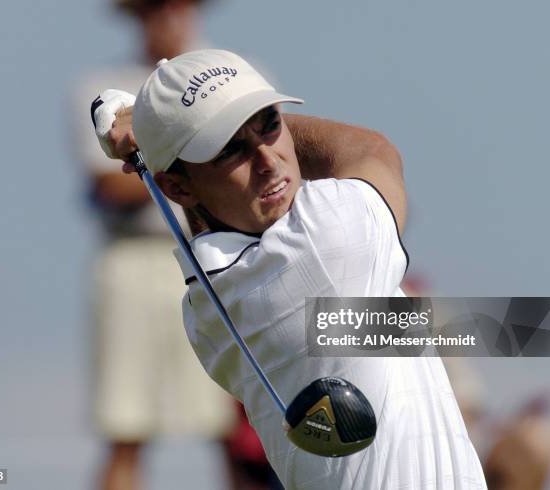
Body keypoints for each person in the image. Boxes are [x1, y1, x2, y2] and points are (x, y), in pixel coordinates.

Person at [93, 49, 488, 489]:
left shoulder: (204, 312)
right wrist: (153, 135)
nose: (268, 160)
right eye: (231, 149)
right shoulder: (329, 240)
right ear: (176, 185)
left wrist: (162, 137)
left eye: (270, 125)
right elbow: (371, 150)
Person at [71, 3, 239, 489]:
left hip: (214, 257)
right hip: (133, 262)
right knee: (126, 425)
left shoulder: (233, 76)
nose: (169, 19)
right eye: (155, 8)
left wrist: (155, 154)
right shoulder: (100, 85)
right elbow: (110, 186)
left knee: (235, 427)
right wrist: (198, 160)